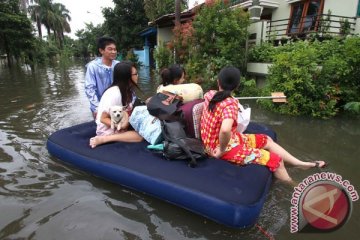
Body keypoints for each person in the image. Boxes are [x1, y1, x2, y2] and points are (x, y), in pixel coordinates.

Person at [200, 66, 326, 184]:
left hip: (222, 141)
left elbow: (220, 110)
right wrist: (221, 151)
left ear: (218, 81)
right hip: (218, 149)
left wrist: (232, 101)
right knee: (276, 160)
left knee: (267, 140)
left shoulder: (209, 94)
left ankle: (301, 164)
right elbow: (225, 130)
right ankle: (293, 185)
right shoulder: (230, 104)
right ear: (237, 85)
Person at [89, 62, 143, 148]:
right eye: (135, 74)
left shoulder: (127, 91)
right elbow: (103, 118)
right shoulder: (114, 93)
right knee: (139, 136)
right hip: (107, 130)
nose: (137, 76)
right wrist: (120, 126)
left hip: (119, 123)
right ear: (127, 77)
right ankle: (104, 139)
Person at [85, 36, 119, 119]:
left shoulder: (118, 65)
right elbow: (90, 89)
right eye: (110, 49)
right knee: (101, 129)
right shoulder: (93, 66)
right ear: (101, 50)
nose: (114, 52)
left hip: (116, 106)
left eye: (115, 49)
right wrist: (97, 108)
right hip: (100, 105)